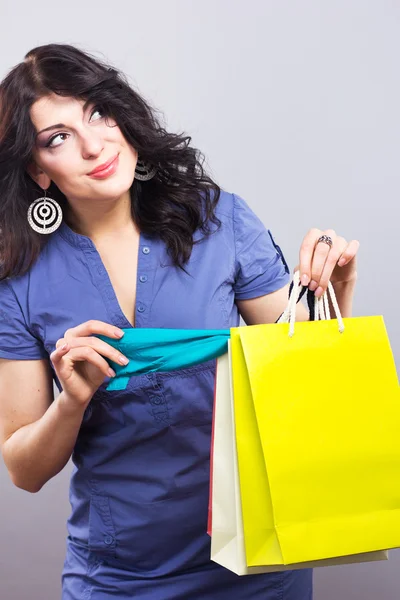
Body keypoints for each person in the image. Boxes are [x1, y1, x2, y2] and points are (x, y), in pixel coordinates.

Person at [0, 44, 359, 600]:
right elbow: (24, 470)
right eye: (59, 137)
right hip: (118, 578)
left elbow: (304, 379)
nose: (95, 143)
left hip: (261, 560)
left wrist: (335, 295)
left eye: (98, 112)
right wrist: (71, 401)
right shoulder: (19, 281)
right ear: (36, 169)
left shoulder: (219, 220)